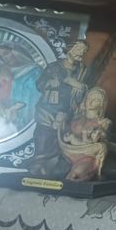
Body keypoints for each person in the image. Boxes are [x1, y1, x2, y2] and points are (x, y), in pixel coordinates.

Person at [31, 39, 87, 174]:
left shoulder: (82, 70)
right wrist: (50, 83)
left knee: (63, 139)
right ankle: (39, 164)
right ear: (69, 49)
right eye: (78, 49)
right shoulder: (54, 67)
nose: (81, 53)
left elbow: (86, 88)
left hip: (68, 111)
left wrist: (80, 86)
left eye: (84, 51)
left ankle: (56, 168)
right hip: (49, 109)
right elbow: (40, 84)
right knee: (44, 137)